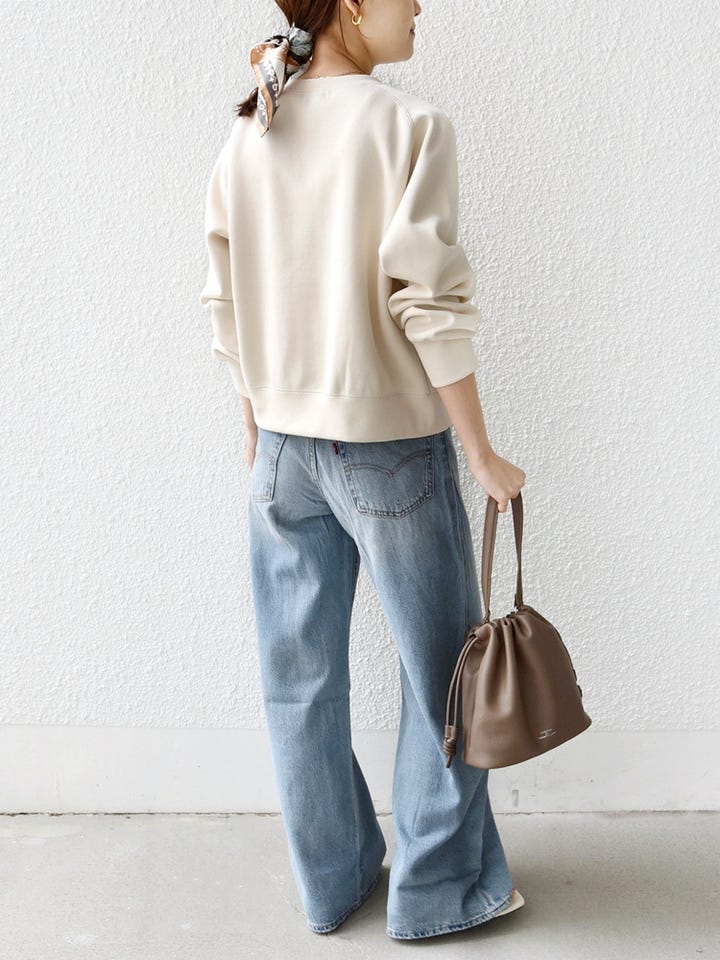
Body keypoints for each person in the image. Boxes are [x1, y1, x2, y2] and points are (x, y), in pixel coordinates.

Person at [199, 0, 527, 941]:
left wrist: (256, 416)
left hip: (281, 452)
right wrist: (480, 451)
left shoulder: (253, 127)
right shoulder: (409, 126)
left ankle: (331, 886)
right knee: (444, 678)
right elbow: (428, 302)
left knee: (298, 683)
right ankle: (437, 894)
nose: (418, 6)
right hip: (389, 452)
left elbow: (222, 291)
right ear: (349, 6)